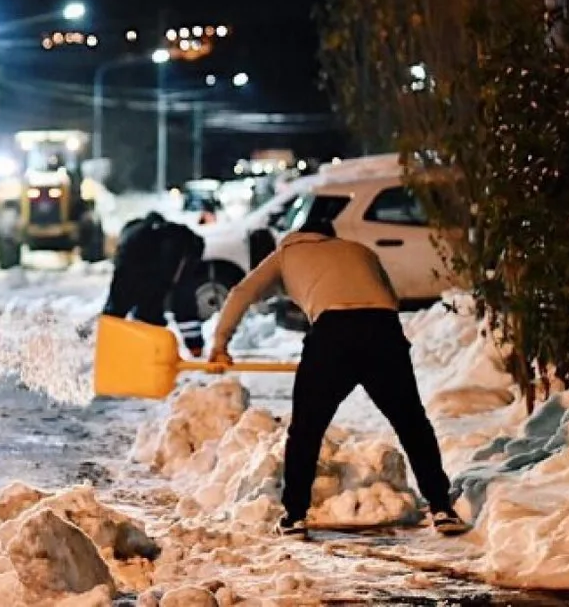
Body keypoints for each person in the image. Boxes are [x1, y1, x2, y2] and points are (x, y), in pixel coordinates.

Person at [208, 215, 468, 538]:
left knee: (307, 428)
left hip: (333, 333)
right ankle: (442, 507)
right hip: (383, 329)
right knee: (411, 423)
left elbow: (242, 292)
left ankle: (294, 516)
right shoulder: (359, 251)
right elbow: (389, 297)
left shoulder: (287, 254)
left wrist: (220, 344)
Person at [96, 211, 207, 355]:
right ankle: (141, 348)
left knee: (132, 310)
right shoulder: (177, 243)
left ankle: (113, 347)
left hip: (135, 261)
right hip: (144, 263)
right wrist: (196, 346)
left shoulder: (138, 236)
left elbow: (119, 300)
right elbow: (184, 306)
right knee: (152, 309)